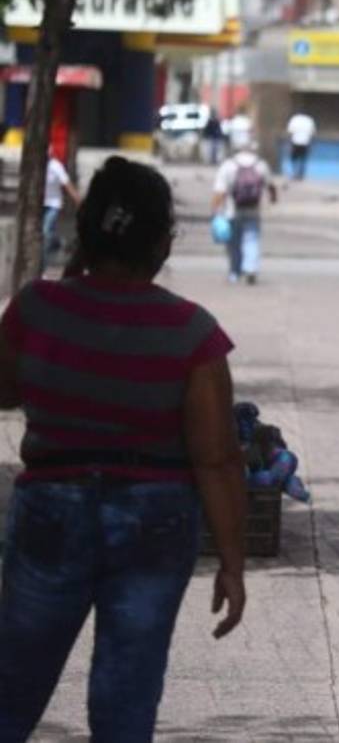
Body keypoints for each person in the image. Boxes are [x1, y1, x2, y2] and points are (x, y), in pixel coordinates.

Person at [0, 157, 248, 740]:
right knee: (126, 695)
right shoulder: (193, 332)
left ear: (84, 234)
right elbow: (216, 459)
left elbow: (5, 390)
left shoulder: (36, 309)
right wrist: (232, 564)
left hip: (51, 508)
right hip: (154, 520)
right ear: (163, 243)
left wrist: (69, 286)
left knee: (12, 686)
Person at [212, 141, 277, 285]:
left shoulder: (228, 165)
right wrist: (273, 199)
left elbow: (220, 192)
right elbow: (271, 186)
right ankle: (251, 269)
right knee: (252, 239)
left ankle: (235, 272)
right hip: (253, 210)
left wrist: (216, 211)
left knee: (233, 243)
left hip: (231, 211)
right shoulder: (261, 165)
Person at [42, 150, 80, 274]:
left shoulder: (56, 166)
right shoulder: (36, 166)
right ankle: (59, 242)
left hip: (54, 204)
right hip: (40, 204)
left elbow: (67, 184)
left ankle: (43, 266)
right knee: (46, 232)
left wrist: (78, 201)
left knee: (46, 232)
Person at [286, 112, 316, 181]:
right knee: (303, 158)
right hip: (305, 142)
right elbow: (312, 133)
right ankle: (301, 174)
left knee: (294, 158)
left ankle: (295, 172)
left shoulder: (294, 119)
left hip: (295, 141)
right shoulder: (309, 120)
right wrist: (312, 144)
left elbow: (290, 132)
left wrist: (289, 143)